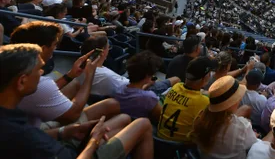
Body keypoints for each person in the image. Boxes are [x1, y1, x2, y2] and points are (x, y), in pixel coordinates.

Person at [0, 43, 154, 158]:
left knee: (124, 117)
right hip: (77, 154)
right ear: (21, 81)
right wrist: (93, 141)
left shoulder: (12, 118)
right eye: (39, 70)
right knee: (143, 123)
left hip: (58, 138)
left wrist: (64, 132)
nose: (42, 74)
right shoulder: (20, 134)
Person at [11, 22, 120, 127]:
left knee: (75, 84)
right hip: (36, 132)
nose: (55, 48)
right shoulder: (38, 82)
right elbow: (73, 114)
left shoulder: (12, 67)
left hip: (22, 120)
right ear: (42, 49)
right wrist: (89, 75)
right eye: (54, 44)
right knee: (113, 105)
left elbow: (42, 90)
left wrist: (71, 75)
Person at [192, 75, 257, 159]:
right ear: (230, 103)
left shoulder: (200, 119)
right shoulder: (242, 127)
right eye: (237, 98)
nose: (239, 99)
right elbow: (254, 145)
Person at [157, 56, 213, 143]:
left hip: (159, 139)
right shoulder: (204, 102)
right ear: (206, 78)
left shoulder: (176, 86)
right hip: (180, 148)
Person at [114, 50, 177, 120]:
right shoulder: (149, 97)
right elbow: (161, 117)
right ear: (147, 76)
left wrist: (146, 85)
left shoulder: (120, 88)